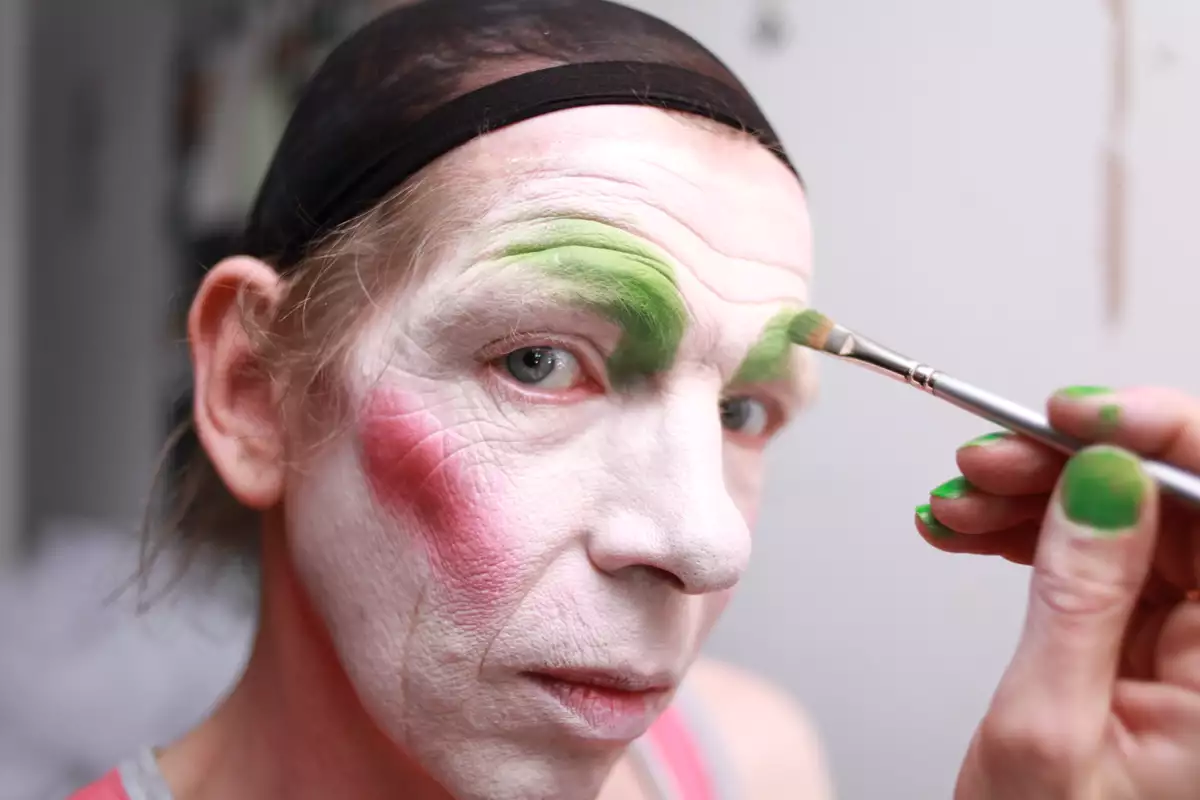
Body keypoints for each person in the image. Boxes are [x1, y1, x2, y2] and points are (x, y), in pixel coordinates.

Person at [66, 1, 1200, 799]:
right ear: (256, 389)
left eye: (742, 409)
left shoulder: (753, 761)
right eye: (539, 361)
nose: (704, 543)